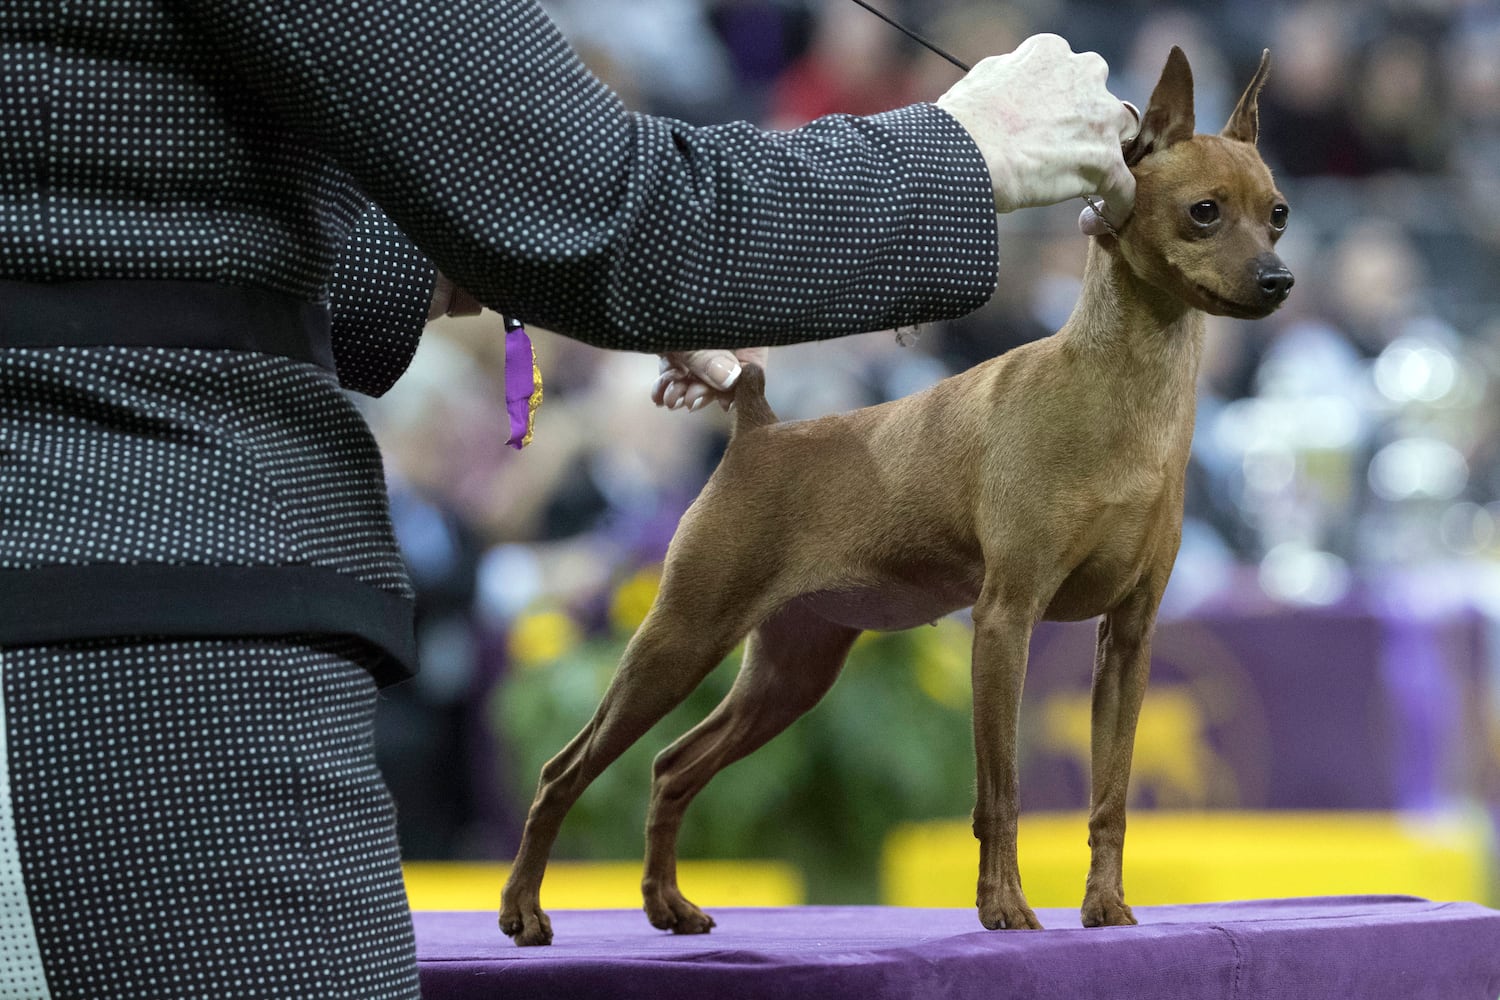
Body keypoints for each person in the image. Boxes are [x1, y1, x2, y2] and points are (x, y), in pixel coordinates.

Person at [0, 1, 1136, 996]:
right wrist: (963, 150)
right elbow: (608, 204)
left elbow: (142, 206)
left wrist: (515, 264)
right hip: (127, 647)